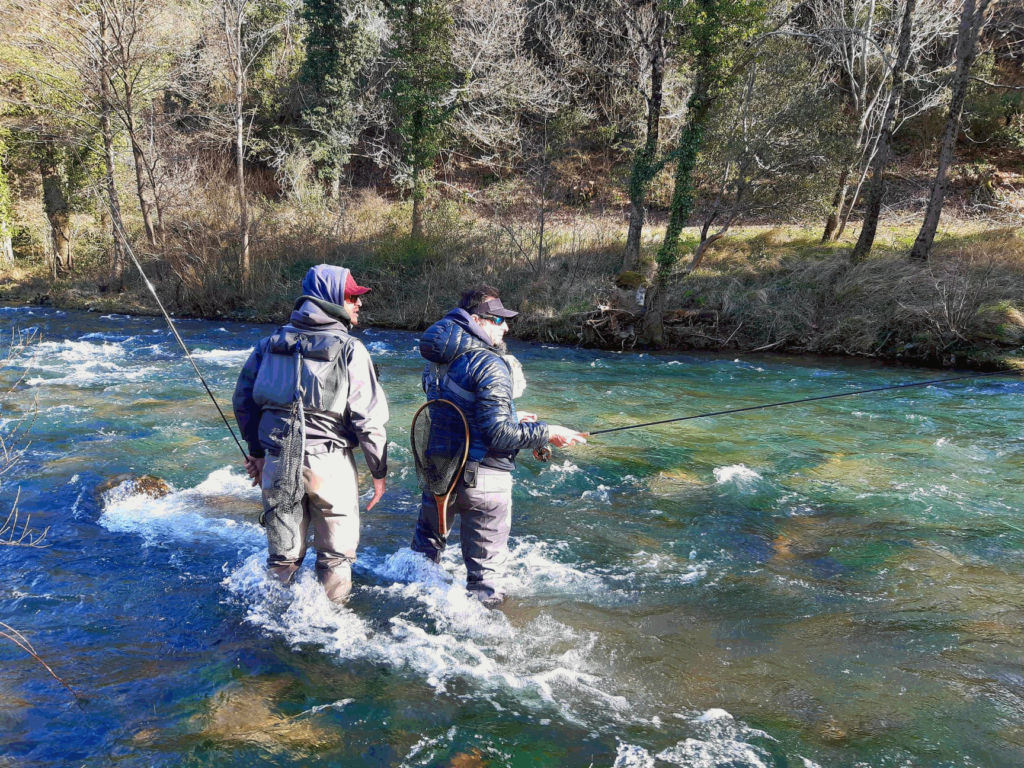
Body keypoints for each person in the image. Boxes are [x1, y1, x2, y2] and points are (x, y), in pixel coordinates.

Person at [410, 285, 586, 606]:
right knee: (485, 584)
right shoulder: (490, 364)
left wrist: (515, 415)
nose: (506, 327)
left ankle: (411, 613)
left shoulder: (437, 360)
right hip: (483, 479)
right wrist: (546, 432)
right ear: (480, 320)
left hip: (439, 474)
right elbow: (499, 435)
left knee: (424, 558)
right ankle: (485, 647)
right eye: (499, 320)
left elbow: (454, 410)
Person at [232, 265, 389, 604]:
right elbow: (368, 420)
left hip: (277, 461)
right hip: (330, 465)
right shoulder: (351, 349)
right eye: (352, 297)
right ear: (332, 298)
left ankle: (273, 627)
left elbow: (243, 403)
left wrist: (258, 454)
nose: (358, 304)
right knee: (335, 557)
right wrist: (379, 471)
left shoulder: (268, 344)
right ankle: (329, 630)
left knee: (282, 558)